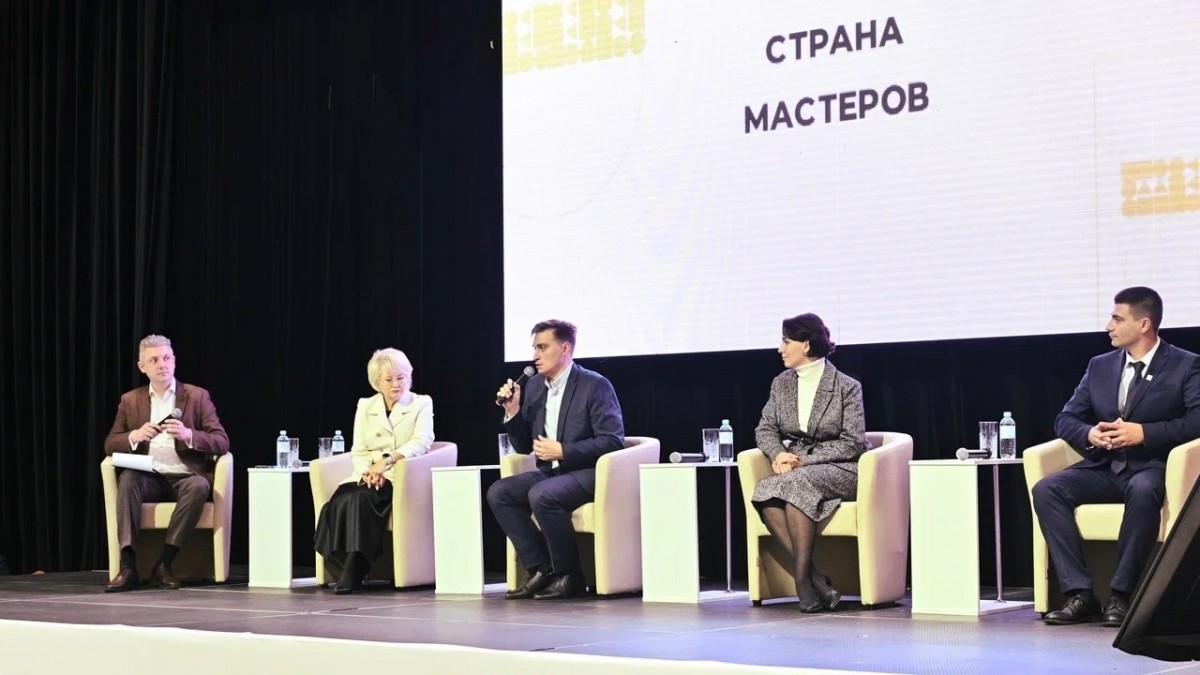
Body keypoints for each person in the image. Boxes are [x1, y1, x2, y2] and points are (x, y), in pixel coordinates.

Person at [1033, 287, 1200, 627]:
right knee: (1047, 489)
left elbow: (1196, 420)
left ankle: (1121, 596)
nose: (1109, 326)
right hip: (1105, 466)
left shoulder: (1185, 364)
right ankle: (1080, 595)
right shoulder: (1100, 366)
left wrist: (1145, 433)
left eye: (1117, 318)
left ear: (1144, 324)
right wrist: (1089, 434)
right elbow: (1066, 418)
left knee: (1143, 491)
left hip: (1152, 466)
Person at [487, 320, 625, 600]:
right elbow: (524, 446)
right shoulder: (535, 387)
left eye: (542, 347)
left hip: (587, 472)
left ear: (565, 348)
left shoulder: (594, 385)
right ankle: (542, 569)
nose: (535, 355)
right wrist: (513, 411)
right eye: (534, 348)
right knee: (500, 492)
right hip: (550, 473)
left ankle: (570, 576)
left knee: (543, 495)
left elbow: (612, 440)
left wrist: (564, 451)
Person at [750, 313, 869, 612]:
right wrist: (778, 454)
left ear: (805, 345)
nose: (780, 349)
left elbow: (853, 442)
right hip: (797, 471)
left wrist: (802, 461)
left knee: (793, 482)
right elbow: (765, 429)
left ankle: (802, 580)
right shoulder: (782, 384)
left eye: (785, 341)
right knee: (764, 491)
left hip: (842, 468)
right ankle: (815, 578)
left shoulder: (846, 386)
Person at [103, 334, 230, 592]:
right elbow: (110, 443)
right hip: (148, 476)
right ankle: (128, 567)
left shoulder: (196, 396)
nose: (162, 364)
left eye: (166, 358)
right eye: (154, 360)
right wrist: (134, 435)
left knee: (198, 486)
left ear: (174, 361)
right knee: (127, 479)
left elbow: (222, 441)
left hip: (184, 476)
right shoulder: (130, 400)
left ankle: (164, 564)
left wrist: (188, 434)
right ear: (142, 367)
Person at [314, 348, 434, 594]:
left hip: (397, 474)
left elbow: (422, 441)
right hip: (366, 473)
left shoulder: (420, 403)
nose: (396, 384)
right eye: (388, 379)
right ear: (377, 382)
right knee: (339, 501)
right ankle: (345, 564)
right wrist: (367, 473)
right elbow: (358, 450)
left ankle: (355, 567)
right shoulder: (365, 405)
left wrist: (385, 463)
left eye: (401, 378)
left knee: (362, 499)